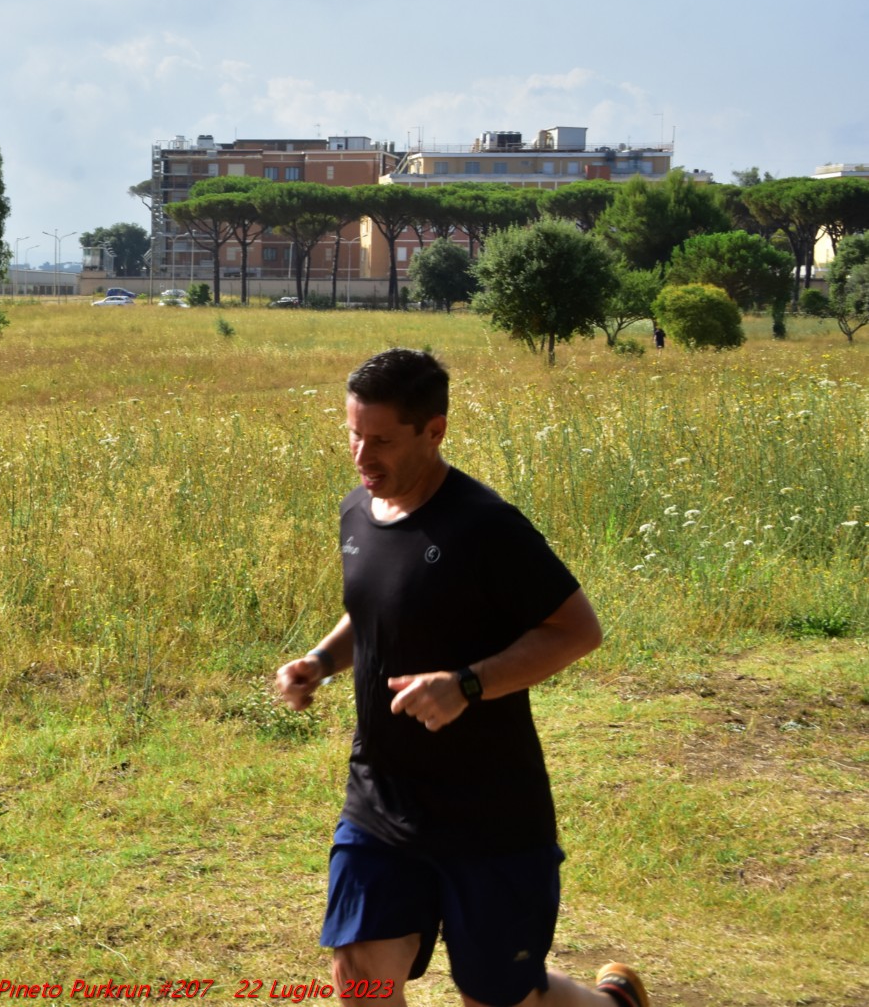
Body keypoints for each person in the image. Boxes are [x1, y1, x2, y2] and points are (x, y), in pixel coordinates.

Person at [275, 349, 648, 1007]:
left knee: (504, 998)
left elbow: (576, 631)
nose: (361, 458)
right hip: (380, 803)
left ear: (434, 431)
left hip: (489, 817)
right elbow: (377, 613)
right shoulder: (357, 514)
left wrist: (466, 684)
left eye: (382, 440)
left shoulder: (484, 527)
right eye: (352, 435)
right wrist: (321, 661)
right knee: (359, 979)